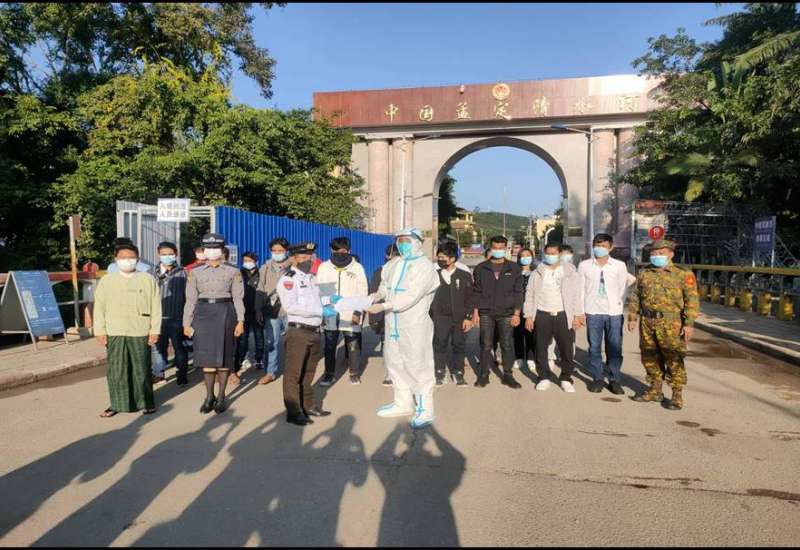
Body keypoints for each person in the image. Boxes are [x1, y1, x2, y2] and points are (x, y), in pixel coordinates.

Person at [366, 227, 440, 429]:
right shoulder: (393, 263)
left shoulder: (425, 267)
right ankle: (402, 403)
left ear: (417, 242)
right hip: (393, 324)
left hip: (414, 324)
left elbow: (411, 295)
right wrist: (376, 296)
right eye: (400, 241)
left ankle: (425, 409)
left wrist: (384, 306)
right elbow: (385, 286)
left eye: (407, 241)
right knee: (395, 363)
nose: (402, 245)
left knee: (418, 365)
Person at [627, 239, 699, 410]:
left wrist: (689, 324)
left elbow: (691, 300)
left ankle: (676, 395)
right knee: (649, 356)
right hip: (647, 322)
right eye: (654, 253)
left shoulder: (683, 274)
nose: (656, 256)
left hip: (671, 323)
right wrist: (632, 317)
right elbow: (636, 296)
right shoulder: (645, 273)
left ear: (671, 254)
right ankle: (655, 390)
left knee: (673, 358)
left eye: (661, 253)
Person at [94, 241, 161, 417]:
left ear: (137, 259)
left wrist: (155, 330)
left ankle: (146, 402)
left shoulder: (147, 279)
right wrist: (100, 331)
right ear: (116, 259)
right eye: (123, 257)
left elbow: (156, 306)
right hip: (115, 330)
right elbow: (99, 307)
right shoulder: (107, 281)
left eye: (131, 257)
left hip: (140, 330)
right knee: (117, 370)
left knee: (142, 369)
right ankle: (117, 404)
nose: (127, 260)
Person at [183, 233, 245, 415]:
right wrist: (186, 323)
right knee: (207, 357)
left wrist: (240, 321)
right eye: (208, 248)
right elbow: (190, 300)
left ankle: (221, 396)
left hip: (225, 312)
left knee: (224, 356)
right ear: (204, 250)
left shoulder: (233, 271)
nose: (212, 251)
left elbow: (238, 298)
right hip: (202, 314)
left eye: (215, 248)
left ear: (222, 249)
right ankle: (209, 396)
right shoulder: (195, 272)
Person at [276, 241, 331, 426]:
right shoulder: (288, 280)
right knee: (294, 373)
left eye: (311, 257)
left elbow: (320, 300)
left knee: (309, 371)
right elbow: (290, 306)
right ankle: (293, 411)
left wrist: (331, 302)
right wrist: (320, 311)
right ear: (294, 259)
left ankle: (308, 405)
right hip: (298, 332)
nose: (309, 260)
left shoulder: (312, 278)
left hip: (315, 331)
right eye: (304, 257)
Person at [523, 243, 585, 393]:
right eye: (548, 253)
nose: (550, 256)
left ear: (559, 254)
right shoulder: (537, 273)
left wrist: (577, 315)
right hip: (542, 314)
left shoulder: (570, 272)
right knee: (540, 348)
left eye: (553, 253)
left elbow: (577, 295)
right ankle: (543, 377)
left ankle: (566, 378)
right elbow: (529, 295)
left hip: (563, 314)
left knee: (566, 349)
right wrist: (529, 316)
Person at [578, 234, 631, 395]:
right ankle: (598, 378)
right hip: (593, 312)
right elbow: (580, 290)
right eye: (597, 245)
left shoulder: (619, 266)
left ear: (611, 247)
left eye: (603, 245)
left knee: (615, 348)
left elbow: (623, 289)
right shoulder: (584, 265)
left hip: (614, 313)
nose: (599, 248)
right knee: (594, 347)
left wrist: (618, 305)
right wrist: (580, 312)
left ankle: (614, 379)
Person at [472, 235, 524, 389]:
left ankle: (508, 375)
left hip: (507, 313)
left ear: (506, 249)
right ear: (491, 247)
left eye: (501, 248)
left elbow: (518, 292)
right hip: (486, 312)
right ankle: (483, 375)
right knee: (485, 344)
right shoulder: (481, 268)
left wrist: (517, 313)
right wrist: (475, 312)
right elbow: (476, 291)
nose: (498, 250)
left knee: (507, 344)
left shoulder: (514, 268)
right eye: (495, 247)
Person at [317, 237, 369, 386]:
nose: (340, 253)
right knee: (329, 345)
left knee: (353, 344)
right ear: (331, 250)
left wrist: (358, 312)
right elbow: (319, 291)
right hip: (330, 312)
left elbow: (363, 291)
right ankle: (329, 374)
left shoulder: (357, 268)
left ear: (349, 251)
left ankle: (354, 373)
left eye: (343, 251)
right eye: (337, 250)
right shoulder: (324, 268)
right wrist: (322, 311)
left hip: (350, 312)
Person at [431, 241, 473, 387]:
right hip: (440, 317)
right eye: (439, 257)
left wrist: (468, 317)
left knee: (459, 344)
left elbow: (470, 298)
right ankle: (439, 372)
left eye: (443, 257)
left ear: (452, 258)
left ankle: (458, 372)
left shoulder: (464, 275)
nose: (440, 260)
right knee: (439, 344)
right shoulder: (434, 275)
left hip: (459, 318)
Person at [150, 241, 189, 385]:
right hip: (157, 318)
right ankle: (159, 374)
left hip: (177, 317)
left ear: (176, 254)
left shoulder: (184, 273)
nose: (167, 256)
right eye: (164, 254)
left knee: (180, 347)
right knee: (158, 349)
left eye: (170, 254)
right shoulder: (150, 273)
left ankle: (182, 374)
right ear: (158, 254)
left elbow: (189, 297)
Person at [255, 237, 291, 386]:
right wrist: (258, 309)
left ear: (286, 251)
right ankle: (270, 372)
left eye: (280, 251)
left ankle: (292, 370)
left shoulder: (293, 267)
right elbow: (260, 289)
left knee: (291, 342)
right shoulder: (265, 268)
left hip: (290, 311)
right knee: (272, 342)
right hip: (271, 310)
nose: (277, 253)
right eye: (274, 251)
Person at [369, 244, 399, 386]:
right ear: (388, 256)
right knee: (389, 345)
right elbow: (375, 292)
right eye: (393, 255)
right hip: (386, 315)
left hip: (405, 315)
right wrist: (374, 319)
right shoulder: (381, 271)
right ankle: (389, 374)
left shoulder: (409, 270)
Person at [235, 251, 265, 377]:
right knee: (243, 338)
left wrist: (261, 308)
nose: (247, 263)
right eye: (245, 261)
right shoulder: (239, 274)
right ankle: (242, 359)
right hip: (243, 310)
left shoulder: (261, 274)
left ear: (255, 261)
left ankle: (259, 359)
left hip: (257, 310)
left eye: (249, 260)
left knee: (259, 336)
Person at [513, 247, 536, 370]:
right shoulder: (515, 273)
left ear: (532, 257)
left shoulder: (536, 273)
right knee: (517, 334)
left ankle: (531, 357)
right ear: (519, 258)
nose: (525, 258)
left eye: (528, 255)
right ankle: (519, 357)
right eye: (523, 256)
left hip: (532, 308)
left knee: (531, 333)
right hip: (517, 308)